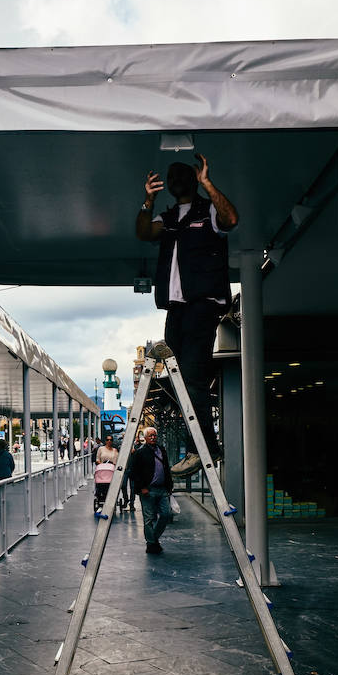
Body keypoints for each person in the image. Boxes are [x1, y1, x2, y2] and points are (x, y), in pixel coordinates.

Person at [136, 153, 239, 476]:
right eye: (171, 176)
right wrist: (147, 201)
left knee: (192, 376)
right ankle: (201, 446)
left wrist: (208, 184)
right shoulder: (168, 219)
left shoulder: (206, 210)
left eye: (182, 174)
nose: (176, 179)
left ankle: (203, 448)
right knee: (178, 379)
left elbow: (231, 220)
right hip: (177, 307)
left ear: (194, 179)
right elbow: (144, 233)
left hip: (203, 303)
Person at [131, 426, 173, 554]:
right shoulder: (140, 452)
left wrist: (169, 486)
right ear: (145, 438)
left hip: (162, 489)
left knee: (166, 514)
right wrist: (142, 488)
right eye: (150, 436)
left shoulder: (161, 450)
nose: (153, 437)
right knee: (149, 518)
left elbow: (166, 468)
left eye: (154, 435)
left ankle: (152, 540)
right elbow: (135, 472)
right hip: (148, 490)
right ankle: (152, 544)